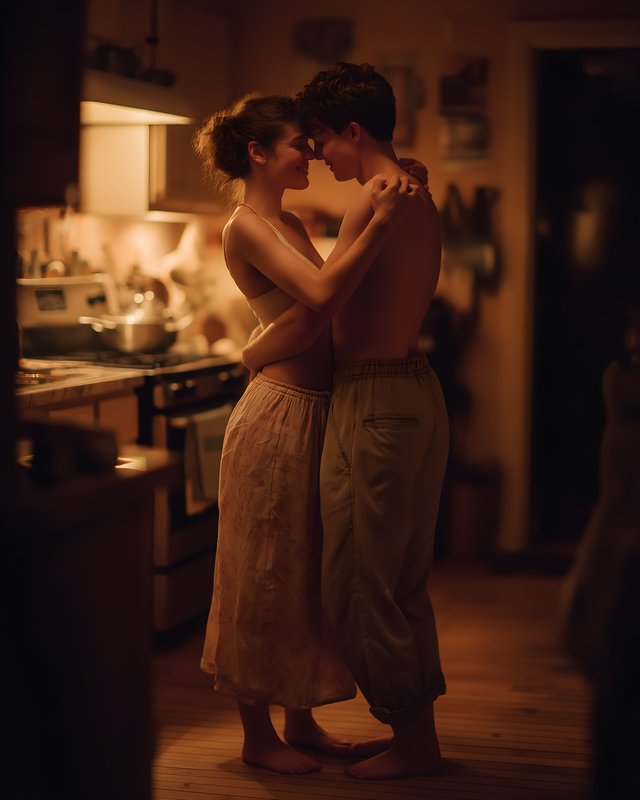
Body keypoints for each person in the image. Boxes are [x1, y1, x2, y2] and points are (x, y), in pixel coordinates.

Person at [195, 92, 422, 775]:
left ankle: (300, 722)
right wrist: (383, 217)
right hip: (277, 416)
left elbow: (315, 311)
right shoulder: (244, 227)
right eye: (299, 143)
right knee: (259, 574)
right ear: (258, 152)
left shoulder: (289, 222)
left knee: (302, 576)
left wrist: (389, 191)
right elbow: (322, 300)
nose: (312, 155)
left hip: (315, 410)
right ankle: (256, 737)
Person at [243, 63, 449, 780]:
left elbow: (322, 306)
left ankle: (413, 742)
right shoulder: (416, 192)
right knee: (402, 581)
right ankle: (419, 737)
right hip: (418, 391)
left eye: (323, 139)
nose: (320, 155)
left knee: (360, 586)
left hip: (373, 399)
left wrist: (254, 350)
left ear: (353, 131)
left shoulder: (375, 201)